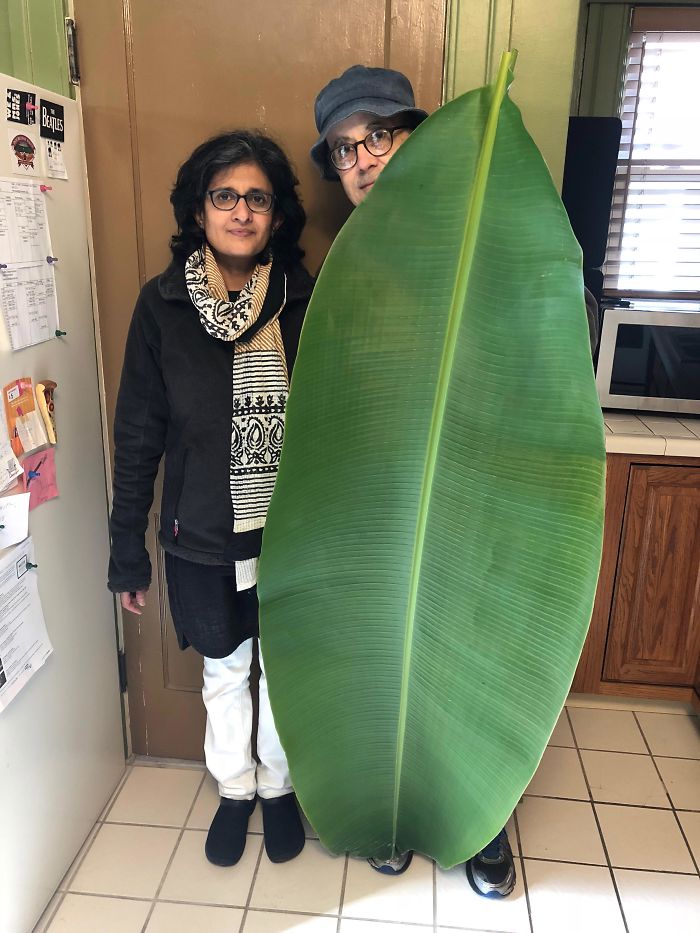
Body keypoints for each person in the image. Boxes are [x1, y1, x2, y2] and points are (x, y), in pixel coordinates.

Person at [310, 64, 517, 898]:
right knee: (386, 653)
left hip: (474, 492)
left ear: (416, 135)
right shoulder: (338, 273)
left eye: (378, 136)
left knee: (472, 654)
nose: (361, 159)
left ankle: (483, 819)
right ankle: (391, 803)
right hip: (375, 505)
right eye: (342, 148)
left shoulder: (483, 238)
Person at [108, 130, 314, 869]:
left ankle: (281, 784)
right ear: (199, 211)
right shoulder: (161, 306)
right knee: (225, 668)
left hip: (293, 532)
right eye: (224, 195)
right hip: (199, 533)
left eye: (256, 198)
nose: (240, 211)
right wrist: (125, 548)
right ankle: (236, 787)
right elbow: (138, 432)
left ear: (277, 216)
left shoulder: (305, 300)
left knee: (285, 666)